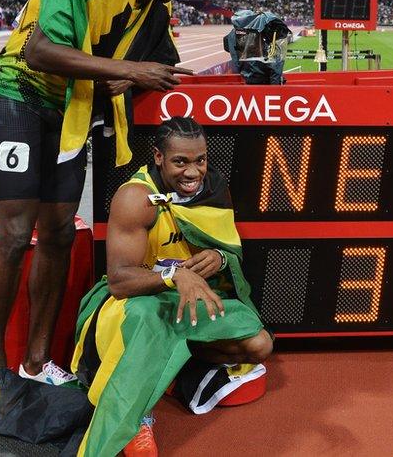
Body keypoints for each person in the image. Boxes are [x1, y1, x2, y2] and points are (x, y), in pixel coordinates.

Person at [0, 0, 201, 382]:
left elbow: (162, 65)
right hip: (17, 93)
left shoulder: (156, 8)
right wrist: (128, 69)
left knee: (59, 232)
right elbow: (41, 51)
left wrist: (131, 76)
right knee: (17, 232)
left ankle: (37, 364)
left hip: (70, 110)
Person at [71, 117, 272, 456]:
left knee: (259, 344)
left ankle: (173, 371)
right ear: (159, 157)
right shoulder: (136, 198)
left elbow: (228, 250)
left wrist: (219, 258)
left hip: (186, 299)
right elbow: (120, 282)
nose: (193, 172)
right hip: (134, 303)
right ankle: (137, 418)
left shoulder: (214, 189)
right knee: (149, 319)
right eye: (180, 161)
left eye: (200, 160)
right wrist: (172, 276)